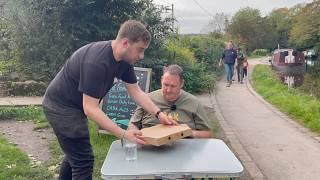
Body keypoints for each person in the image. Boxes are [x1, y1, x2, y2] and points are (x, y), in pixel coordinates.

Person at [42, 20, 176, 180]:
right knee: (83, 161)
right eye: (140, 50)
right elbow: (90, 108)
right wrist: (124, 134)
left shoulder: (124, 61)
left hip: (75, 107)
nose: (142, 56)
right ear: (126, 42)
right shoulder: (96, 62)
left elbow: (136, 91)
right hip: (60, 108)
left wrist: (159, 114)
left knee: (75, 155)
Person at [128, 64, 212, 138]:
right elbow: (132, 125)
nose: (168, 90)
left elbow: (207, 133)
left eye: (173, 86)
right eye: (165, 85)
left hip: (183, 149)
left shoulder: (194, 103)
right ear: (161, 80)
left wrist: (189, 133)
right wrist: (137, 135)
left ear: (181, 83)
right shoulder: (147, 99)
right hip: (149, 146)